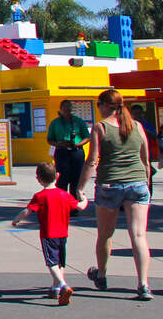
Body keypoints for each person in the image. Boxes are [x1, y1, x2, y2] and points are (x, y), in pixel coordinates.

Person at [77, 89, 153, 300]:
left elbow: (92, 161)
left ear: (105, 105)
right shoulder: (136, 126)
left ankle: (101, 275)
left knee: (105, 234)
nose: (98, 108)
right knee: (138, 235)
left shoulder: (100, 128)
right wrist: (146, 184)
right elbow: (145, 160)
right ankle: (143, 284)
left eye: (99, 104)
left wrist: (80, 188)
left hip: (110, 185)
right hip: (137, 183)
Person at [12, 160, 88, 305]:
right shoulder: (64, 194)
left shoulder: (40, 196)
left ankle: (63, 285)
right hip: (63, 233)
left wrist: (16, 220)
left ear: (38, 179)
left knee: (51, 262)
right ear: (57, 176)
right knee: (60, 262)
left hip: (48, 234)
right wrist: (84, 198)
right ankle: (55, 288)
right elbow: (80, 207)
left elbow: (26, 211)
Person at [46, 100, 90, 200]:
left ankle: (74, 205)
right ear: (61, 109)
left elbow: (87, 137)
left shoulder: (78, 121)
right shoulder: (55, 123)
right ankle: (62, 203)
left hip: (76, 152)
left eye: (69, 108)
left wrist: (78, 144)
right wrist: (59, 144)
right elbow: (49, 139)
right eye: (65, 108)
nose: (67, 110)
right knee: (62, 179)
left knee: (76, 179)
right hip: (62, 152)